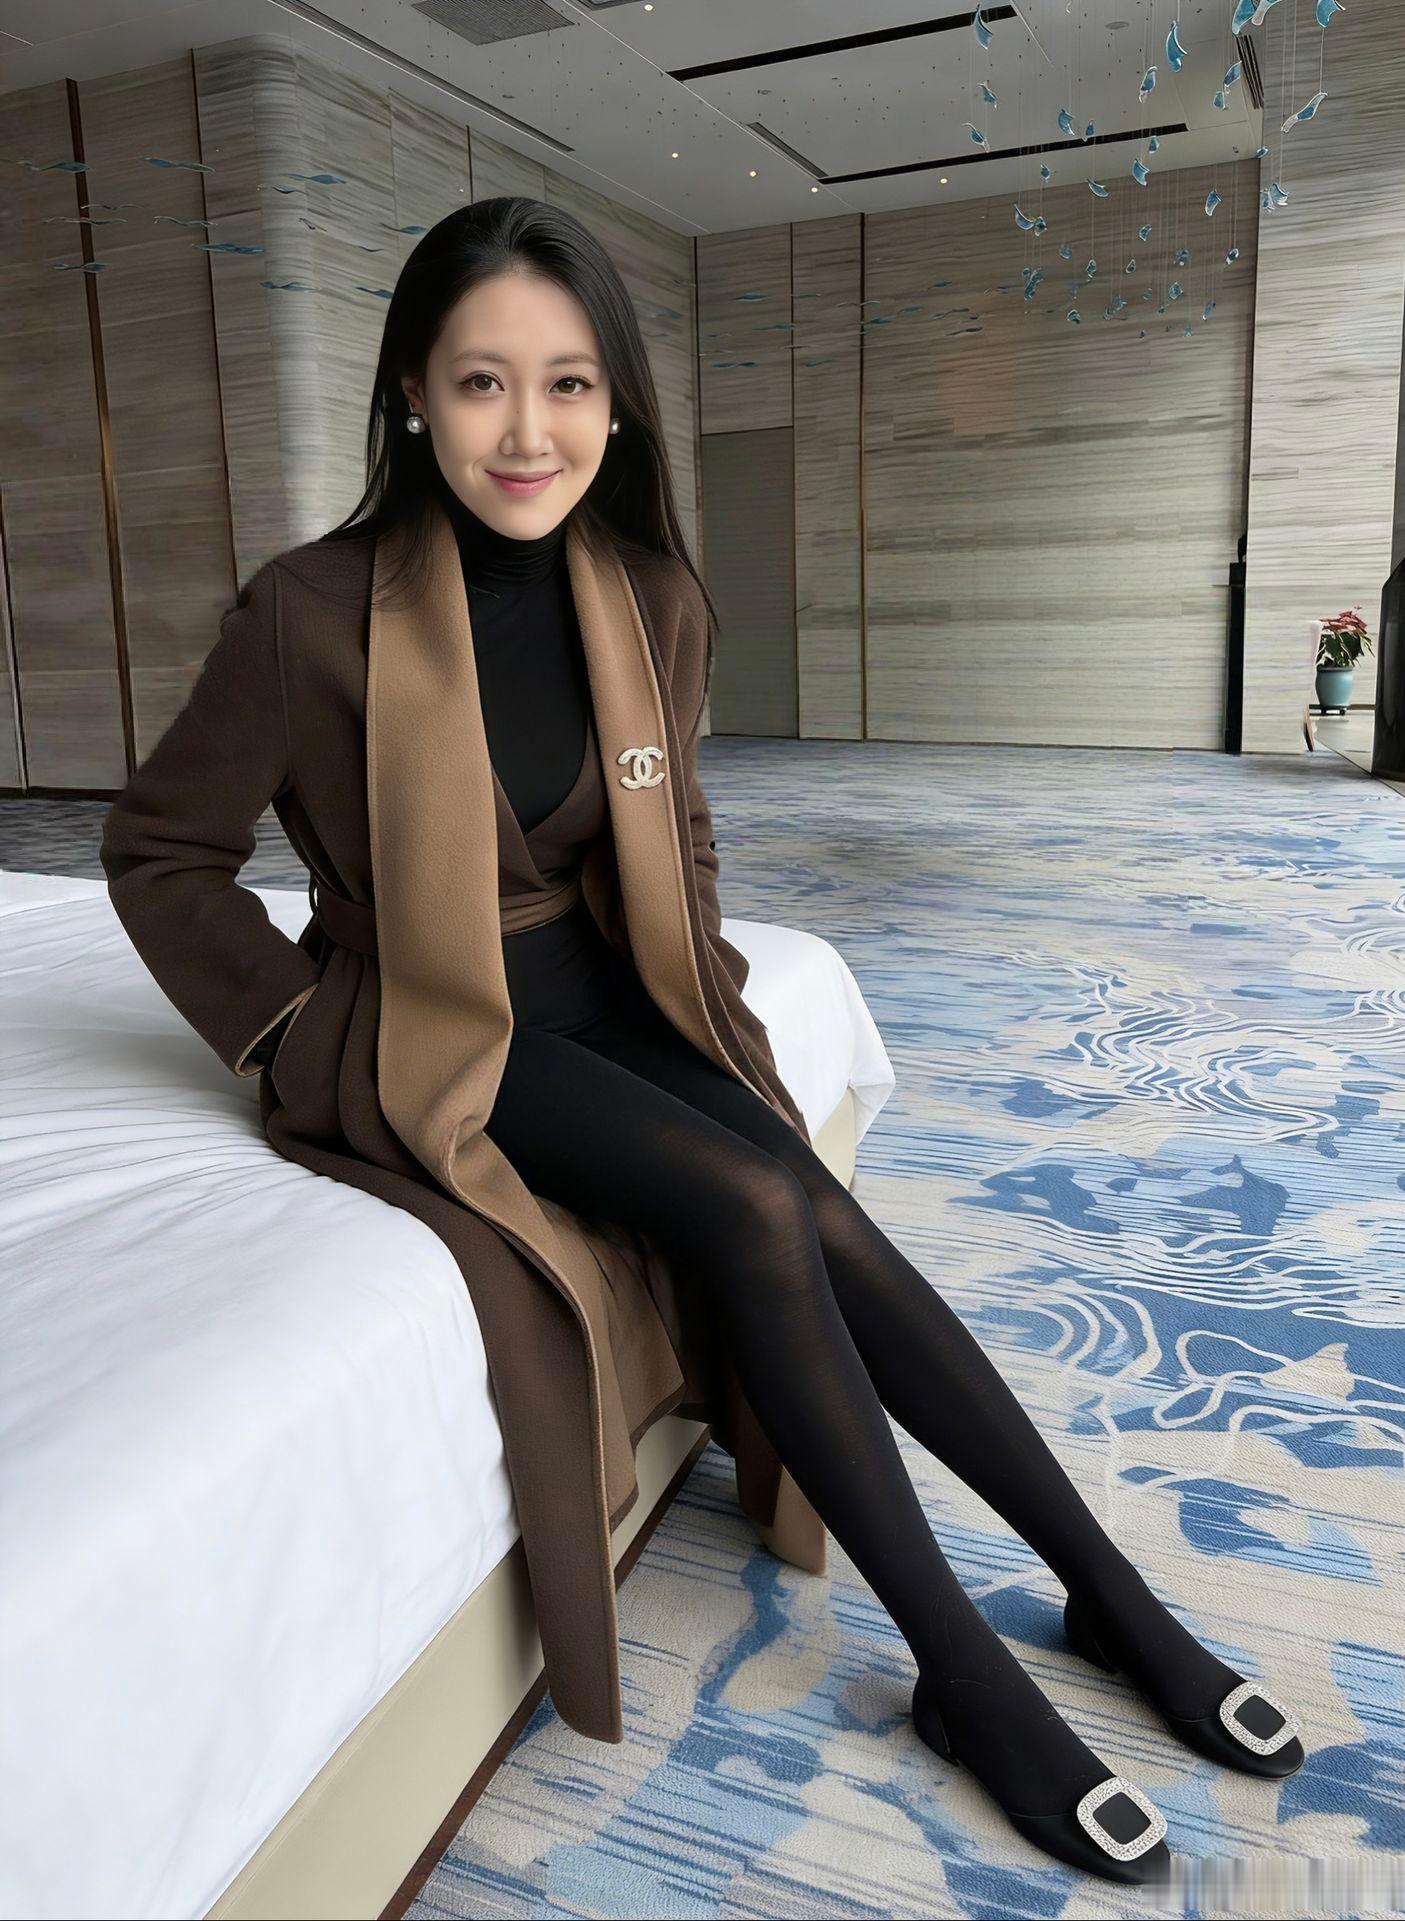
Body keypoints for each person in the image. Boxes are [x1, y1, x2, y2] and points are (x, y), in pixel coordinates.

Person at [254, 196, 1305, 1884]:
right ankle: (962, 1670)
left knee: (812, 1192)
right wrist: (281, 1021)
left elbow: (677, 838)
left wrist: (720, 1027)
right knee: (753, 1206)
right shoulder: (311, 607)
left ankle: (1104, 1590)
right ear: (410, 393)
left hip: (601, 990)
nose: (528, 431)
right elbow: (155, 854)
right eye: (480, 382)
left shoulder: (648, 595)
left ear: (617, 405)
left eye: (569, 383)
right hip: (441, 1017)